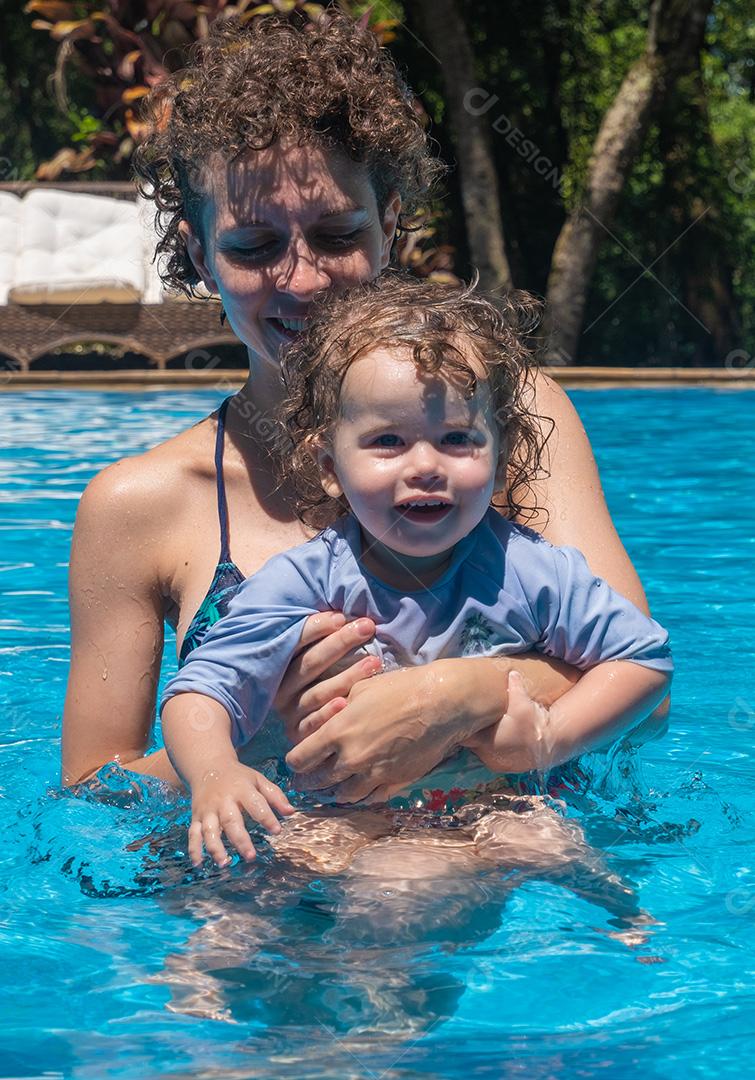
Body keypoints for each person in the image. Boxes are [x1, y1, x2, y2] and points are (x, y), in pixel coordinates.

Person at [62, 10, 665, 799]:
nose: (302, 279)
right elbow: (92, 796)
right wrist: (263, 734)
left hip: (504, 850)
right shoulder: (138, 505)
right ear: (200, 254)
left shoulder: (508, 412)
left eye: (336, 234)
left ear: (387, 225)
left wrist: (455, 692)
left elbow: (644, 697)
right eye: (253, 246)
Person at [160, 273, 672, 867]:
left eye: (456, 438)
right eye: (387, 441)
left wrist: (547, 737)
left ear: (503, 455)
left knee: (546, 851)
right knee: (264, 883)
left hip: (496, 806)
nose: (425, 465)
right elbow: (200, 691)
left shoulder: (530, 571)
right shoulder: (305, 582)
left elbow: (643, 660)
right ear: (330, 467)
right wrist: (214, 771)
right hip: (345, 811)